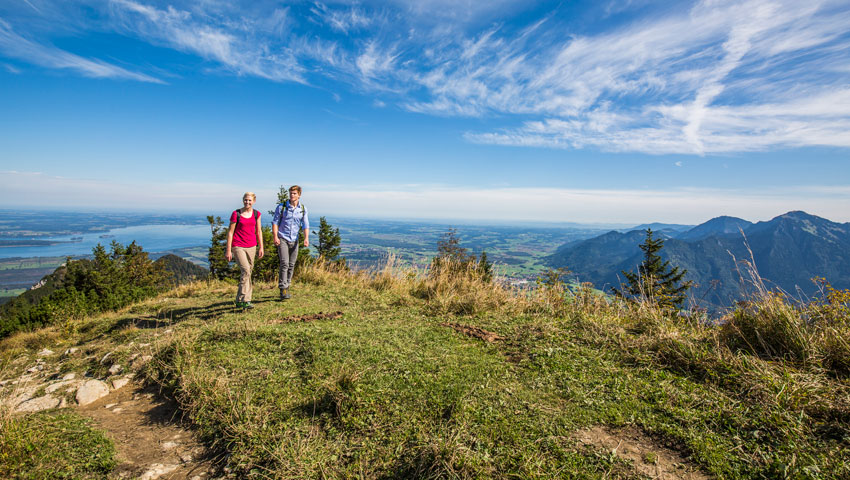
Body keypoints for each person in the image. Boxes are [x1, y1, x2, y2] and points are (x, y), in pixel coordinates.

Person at [225, 192, 264, 309]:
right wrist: (228, 250)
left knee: (248, 272)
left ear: (254, 201)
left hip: (252, 246)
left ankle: (246, 300)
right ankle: (242, 299)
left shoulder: (257, 214)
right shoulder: (236, 214)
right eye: (246, 200)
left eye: (250, 200)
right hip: (238, 246)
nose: (247, 202)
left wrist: (261, 247)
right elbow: (230, 232)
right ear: (243, 200)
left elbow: (259, 231)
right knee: (246, 270)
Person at [272, 185, 309, 301]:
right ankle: (283, 288)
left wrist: (306, 238)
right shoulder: (282, 207)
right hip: (283, 238)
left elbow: (305, 224)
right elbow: (275, 222)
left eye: (294, 193)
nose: (292, 195)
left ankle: (287, 285)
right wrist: (275, 236)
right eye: (291, 193)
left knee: (292, 264)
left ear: (299, 195)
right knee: (284, 263)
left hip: (295, 239)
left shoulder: (302, 209)